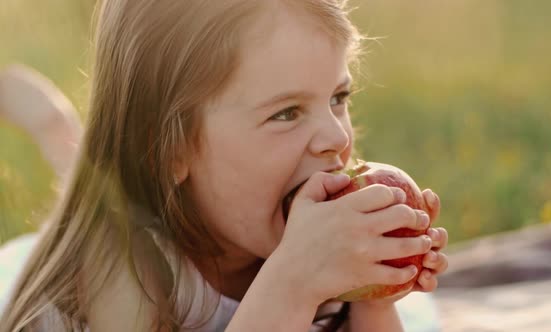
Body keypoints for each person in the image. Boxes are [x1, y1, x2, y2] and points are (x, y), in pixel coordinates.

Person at [0, 0, 449, 331]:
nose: (338, 137)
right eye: (286, 112)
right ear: (167, 150)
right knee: (104, 204)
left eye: (338, 98)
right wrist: (291, 285)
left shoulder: (291, 239)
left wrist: (373, 300)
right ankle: (54, 127)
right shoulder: (98, 300)